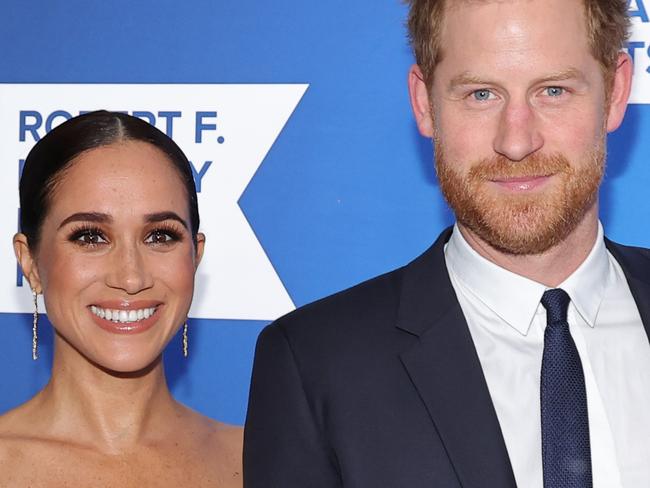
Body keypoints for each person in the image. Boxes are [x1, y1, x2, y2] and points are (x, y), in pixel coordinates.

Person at [244, 0, 650, 486]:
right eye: (481, 94)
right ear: (424, 103)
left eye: (554, 90)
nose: (516, 141)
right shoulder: (314, 366)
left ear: (615, 92)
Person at [0, 111, 242, 487]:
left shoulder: (260, 460)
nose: (131, 277)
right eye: (90, 236)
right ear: (30, 262)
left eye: (160, 236)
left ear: (195, 256)